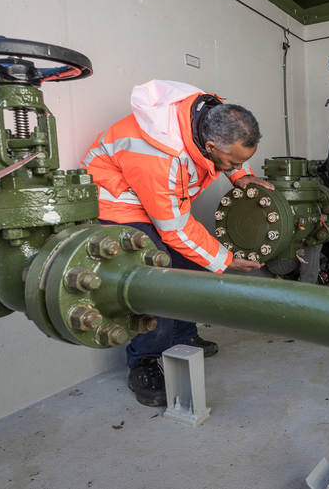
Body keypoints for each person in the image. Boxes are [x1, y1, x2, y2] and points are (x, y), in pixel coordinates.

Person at [82, 80, 274, 406]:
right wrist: (225, 260)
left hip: (152, 193)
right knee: (157, 277)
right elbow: (176, 230)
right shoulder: (162, 156)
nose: (234, 168)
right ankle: (145, 362)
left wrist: (242, 177)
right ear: (211, 146)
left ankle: (184, 336)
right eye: (231, 164)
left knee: (192, 264)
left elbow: (235, 148)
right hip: (118, 198)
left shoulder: (215, 113)